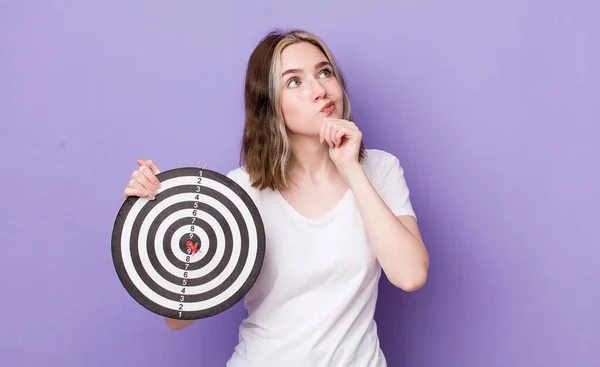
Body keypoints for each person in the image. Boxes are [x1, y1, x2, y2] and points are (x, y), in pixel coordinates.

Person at [123, 29, 429, 366]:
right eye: (294, 82)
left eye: (324, 72)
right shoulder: (240, 192)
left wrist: (351, 170)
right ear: (270, 104)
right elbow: (178, 318)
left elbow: (410, 275)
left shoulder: (380, 169)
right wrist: (160, 215)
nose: (320, 90)